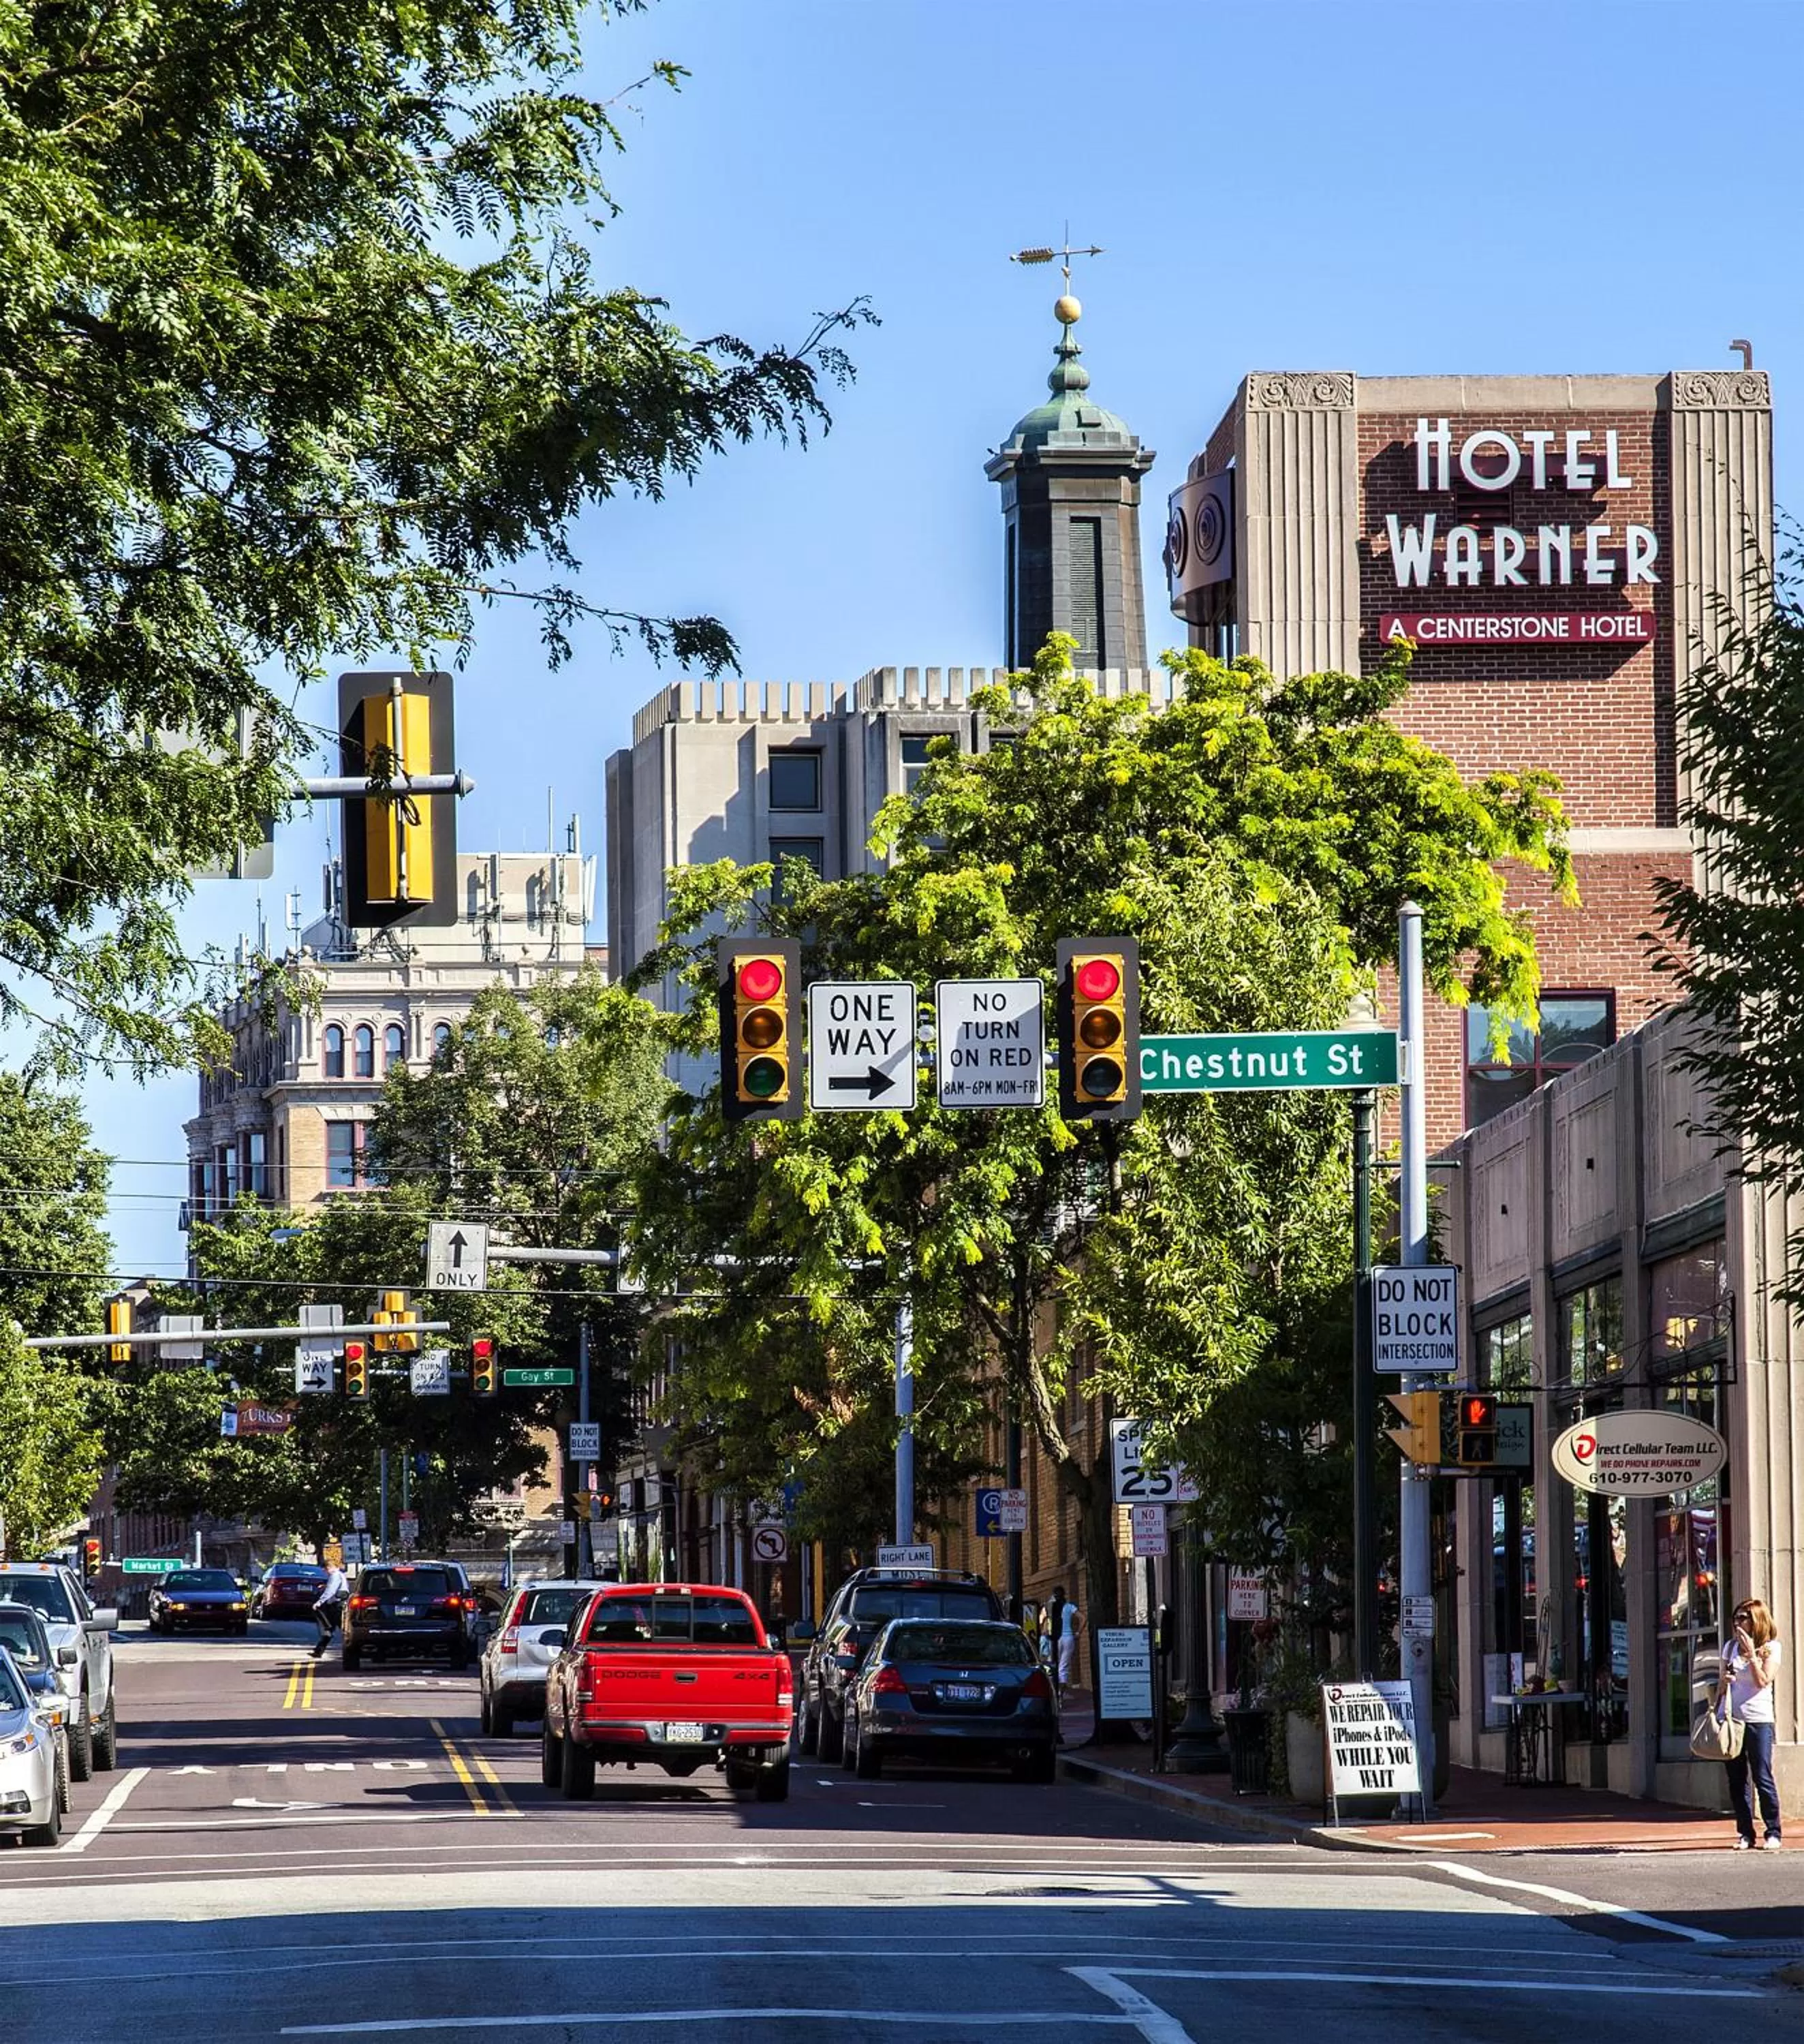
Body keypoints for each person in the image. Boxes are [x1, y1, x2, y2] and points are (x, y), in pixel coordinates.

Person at [1722, 1597, 1782, 1850]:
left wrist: (1752, 1657)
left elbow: (1763, 1681)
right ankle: (1745, 1832)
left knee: (1762, 1776)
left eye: (1743, 1618)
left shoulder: (1771, 1648)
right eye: (1735, 1618)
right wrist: (1721, 1693)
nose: (1737, 1623)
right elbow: (1721, 1683)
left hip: (1759, 1720)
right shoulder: (1729, 1648)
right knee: (1737, 1779)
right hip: (1733, 1719)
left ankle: (1773, 1831)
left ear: (1756, 1620)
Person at [311, 1558, 349, 1660]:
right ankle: (318, 1651)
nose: (325, 1572)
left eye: (325, 1569)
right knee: (329, 1628)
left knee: (343, 1631)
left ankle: (352, 1652)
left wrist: (319, 1602)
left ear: (329, 1567)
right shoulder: (340, 1575)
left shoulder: (335, 1575)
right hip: (337, 1605)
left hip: (337, 1606)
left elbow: (331, 1591)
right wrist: (325, 1586)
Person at [1057, 1594, 1083, 1697]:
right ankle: (1061, 1694)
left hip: (1057, 1638)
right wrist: (1078, 1633)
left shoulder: (1051, 1608)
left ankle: (1054, 1691)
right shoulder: (1069, 1607)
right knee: (1063, 1667)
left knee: (1053, 1664)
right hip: (1068, 1638)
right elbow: (1083, 1618)